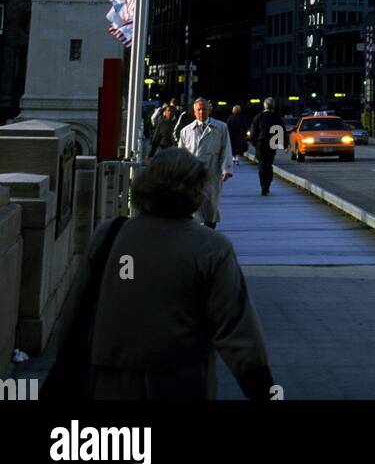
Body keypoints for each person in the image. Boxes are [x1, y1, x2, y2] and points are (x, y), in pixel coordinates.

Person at [44, 149, 273, 400]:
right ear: (197, 190)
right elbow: (238, 330)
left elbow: (75, 312)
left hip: (108, 379)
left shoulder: (110, 234)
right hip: (179, 381)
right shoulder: (212, 248)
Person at [178, 98, 231, 227]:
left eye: (204, 109)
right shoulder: (186, 131)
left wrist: (226, 169)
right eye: (199, 109)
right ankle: (197, 232)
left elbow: (226, 148)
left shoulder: (221, 127)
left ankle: (210, 230)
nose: (202, 112)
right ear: (194, 112)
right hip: (193, 174)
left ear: (210, 110)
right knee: (194, 205)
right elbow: (181, 153)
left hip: (213, 171)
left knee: (211, 206)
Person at [250, 98, 285, 197]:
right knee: (269, 164)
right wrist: (283, 145)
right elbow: (281, 131)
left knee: (261, 164)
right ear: (273, 106)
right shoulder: (277, 117)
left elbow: (253, 132)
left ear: (264, 106)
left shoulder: (258, 117)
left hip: (260, 144)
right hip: (272, 144)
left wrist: (254, 142)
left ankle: (263, 185)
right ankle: (267, 185)